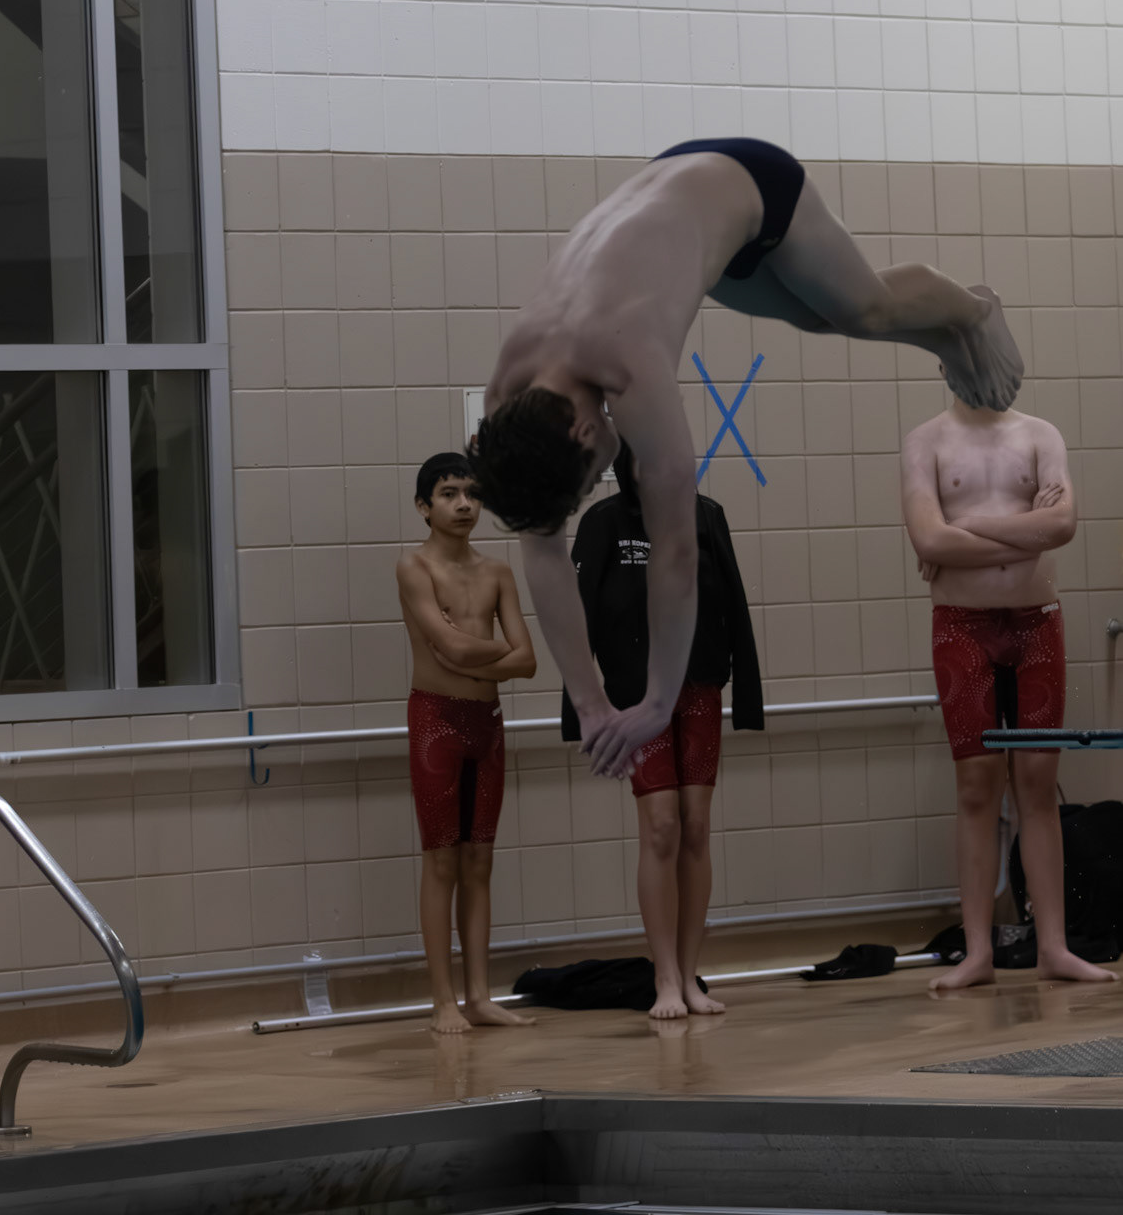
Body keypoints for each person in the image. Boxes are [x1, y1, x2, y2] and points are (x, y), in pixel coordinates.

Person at [468, 137, 1023, 779]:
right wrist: (590, 704)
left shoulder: (630, 368)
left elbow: (676, 556)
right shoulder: (508, 398)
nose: (598, 485)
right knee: (815, 317)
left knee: (863, 309)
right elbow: (542, 552)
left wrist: (657, 703)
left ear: (583, 432)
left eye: (588, 481)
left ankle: (973, 311)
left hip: (749, 180)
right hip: (683, 204)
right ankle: (946, 342)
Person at [901, 395, 1115, 993]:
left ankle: (1053, 946)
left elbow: (1062, 526)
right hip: (961, 628)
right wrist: (1027, 533)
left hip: (1036, 625)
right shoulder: (925, 441)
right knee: (976, 787)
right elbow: (929, 541)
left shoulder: (1042, 434)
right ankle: (977, 952)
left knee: (1038, 786)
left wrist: (965, 524)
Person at [561, 443, 763, 1018]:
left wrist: (747, 695)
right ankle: (665, 978)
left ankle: (690, 976)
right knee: (660, 827)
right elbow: (576, 619)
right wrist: (581, 709)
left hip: (698, 688)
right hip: (635, 697)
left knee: (695, 826)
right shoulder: (604, 523)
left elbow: (734, 604)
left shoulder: (707, 516)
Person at [397, 452, 538, 1034]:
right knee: (441, 860)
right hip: (437, 721)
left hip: (487, 724)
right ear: (423, 506)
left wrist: (470, 653)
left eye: (473, 494)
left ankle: (479, 996)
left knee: (479, 860)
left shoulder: (498, 572)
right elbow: (452, 649)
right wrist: (493, 651)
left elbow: (529, 662)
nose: (464, 505)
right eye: (449, 494)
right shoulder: (414, 567)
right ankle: (443, 1002)